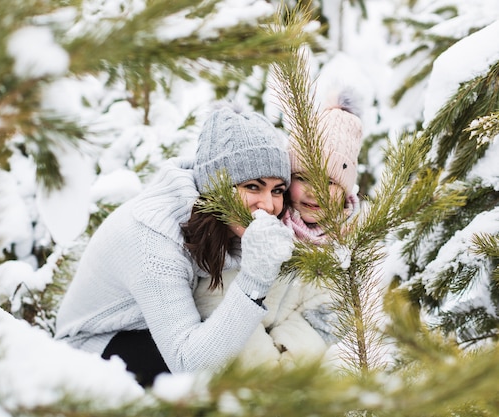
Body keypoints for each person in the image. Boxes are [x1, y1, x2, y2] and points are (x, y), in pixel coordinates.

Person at [54, 104, 295, 387]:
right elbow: (189, 364)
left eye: (277, 190)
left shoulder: (223, 218)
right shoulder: (155, 237)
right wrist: (255, 278)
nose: (268, 205)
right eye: (253, 186)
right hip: (93, 350)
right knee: (220, 385)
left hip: (156, 333)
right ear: (215, 185)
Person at [195, 88, 364, 368]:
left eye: (330, 182)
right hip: (240, 355)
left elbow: (326, 315)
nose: (316, 192)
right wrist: (266, 365)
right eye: (303, 177)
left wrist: (287, 359)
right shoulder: (258, 222)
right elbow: (215, 297)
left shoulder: (346, 243)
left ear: (346, 190)